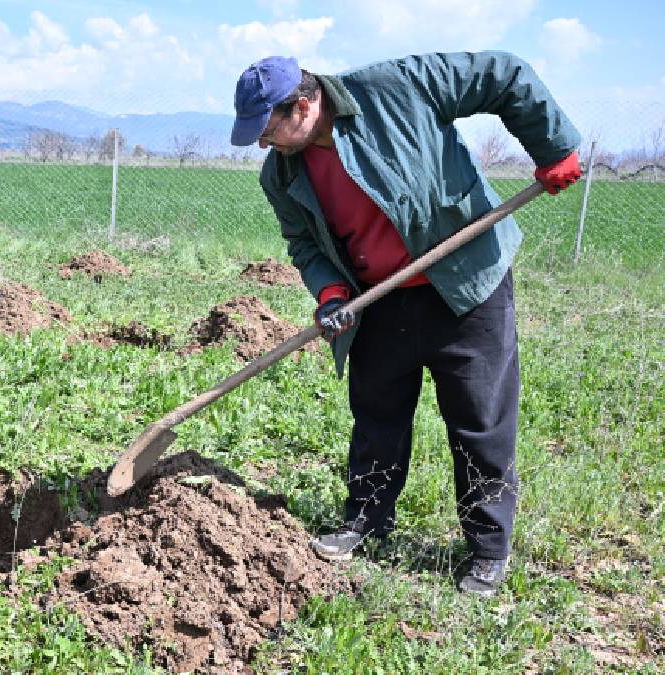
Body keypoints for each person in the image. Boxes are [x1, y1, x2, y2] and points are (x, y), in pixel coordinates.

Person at [229, 52, 582, 596]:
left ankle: (488, 549)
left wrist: (552, 146)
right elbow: (303, 243)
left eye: (267, 130)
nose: (262, 144)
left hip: (465, 281)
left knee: (478, 421)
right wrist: (330, 292)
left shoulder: (395, 88)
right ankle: (365, 521)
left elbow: (504, 74)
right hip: (378, 299)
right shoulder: (281, 175)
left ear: (302, 106)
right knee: (377, 415)